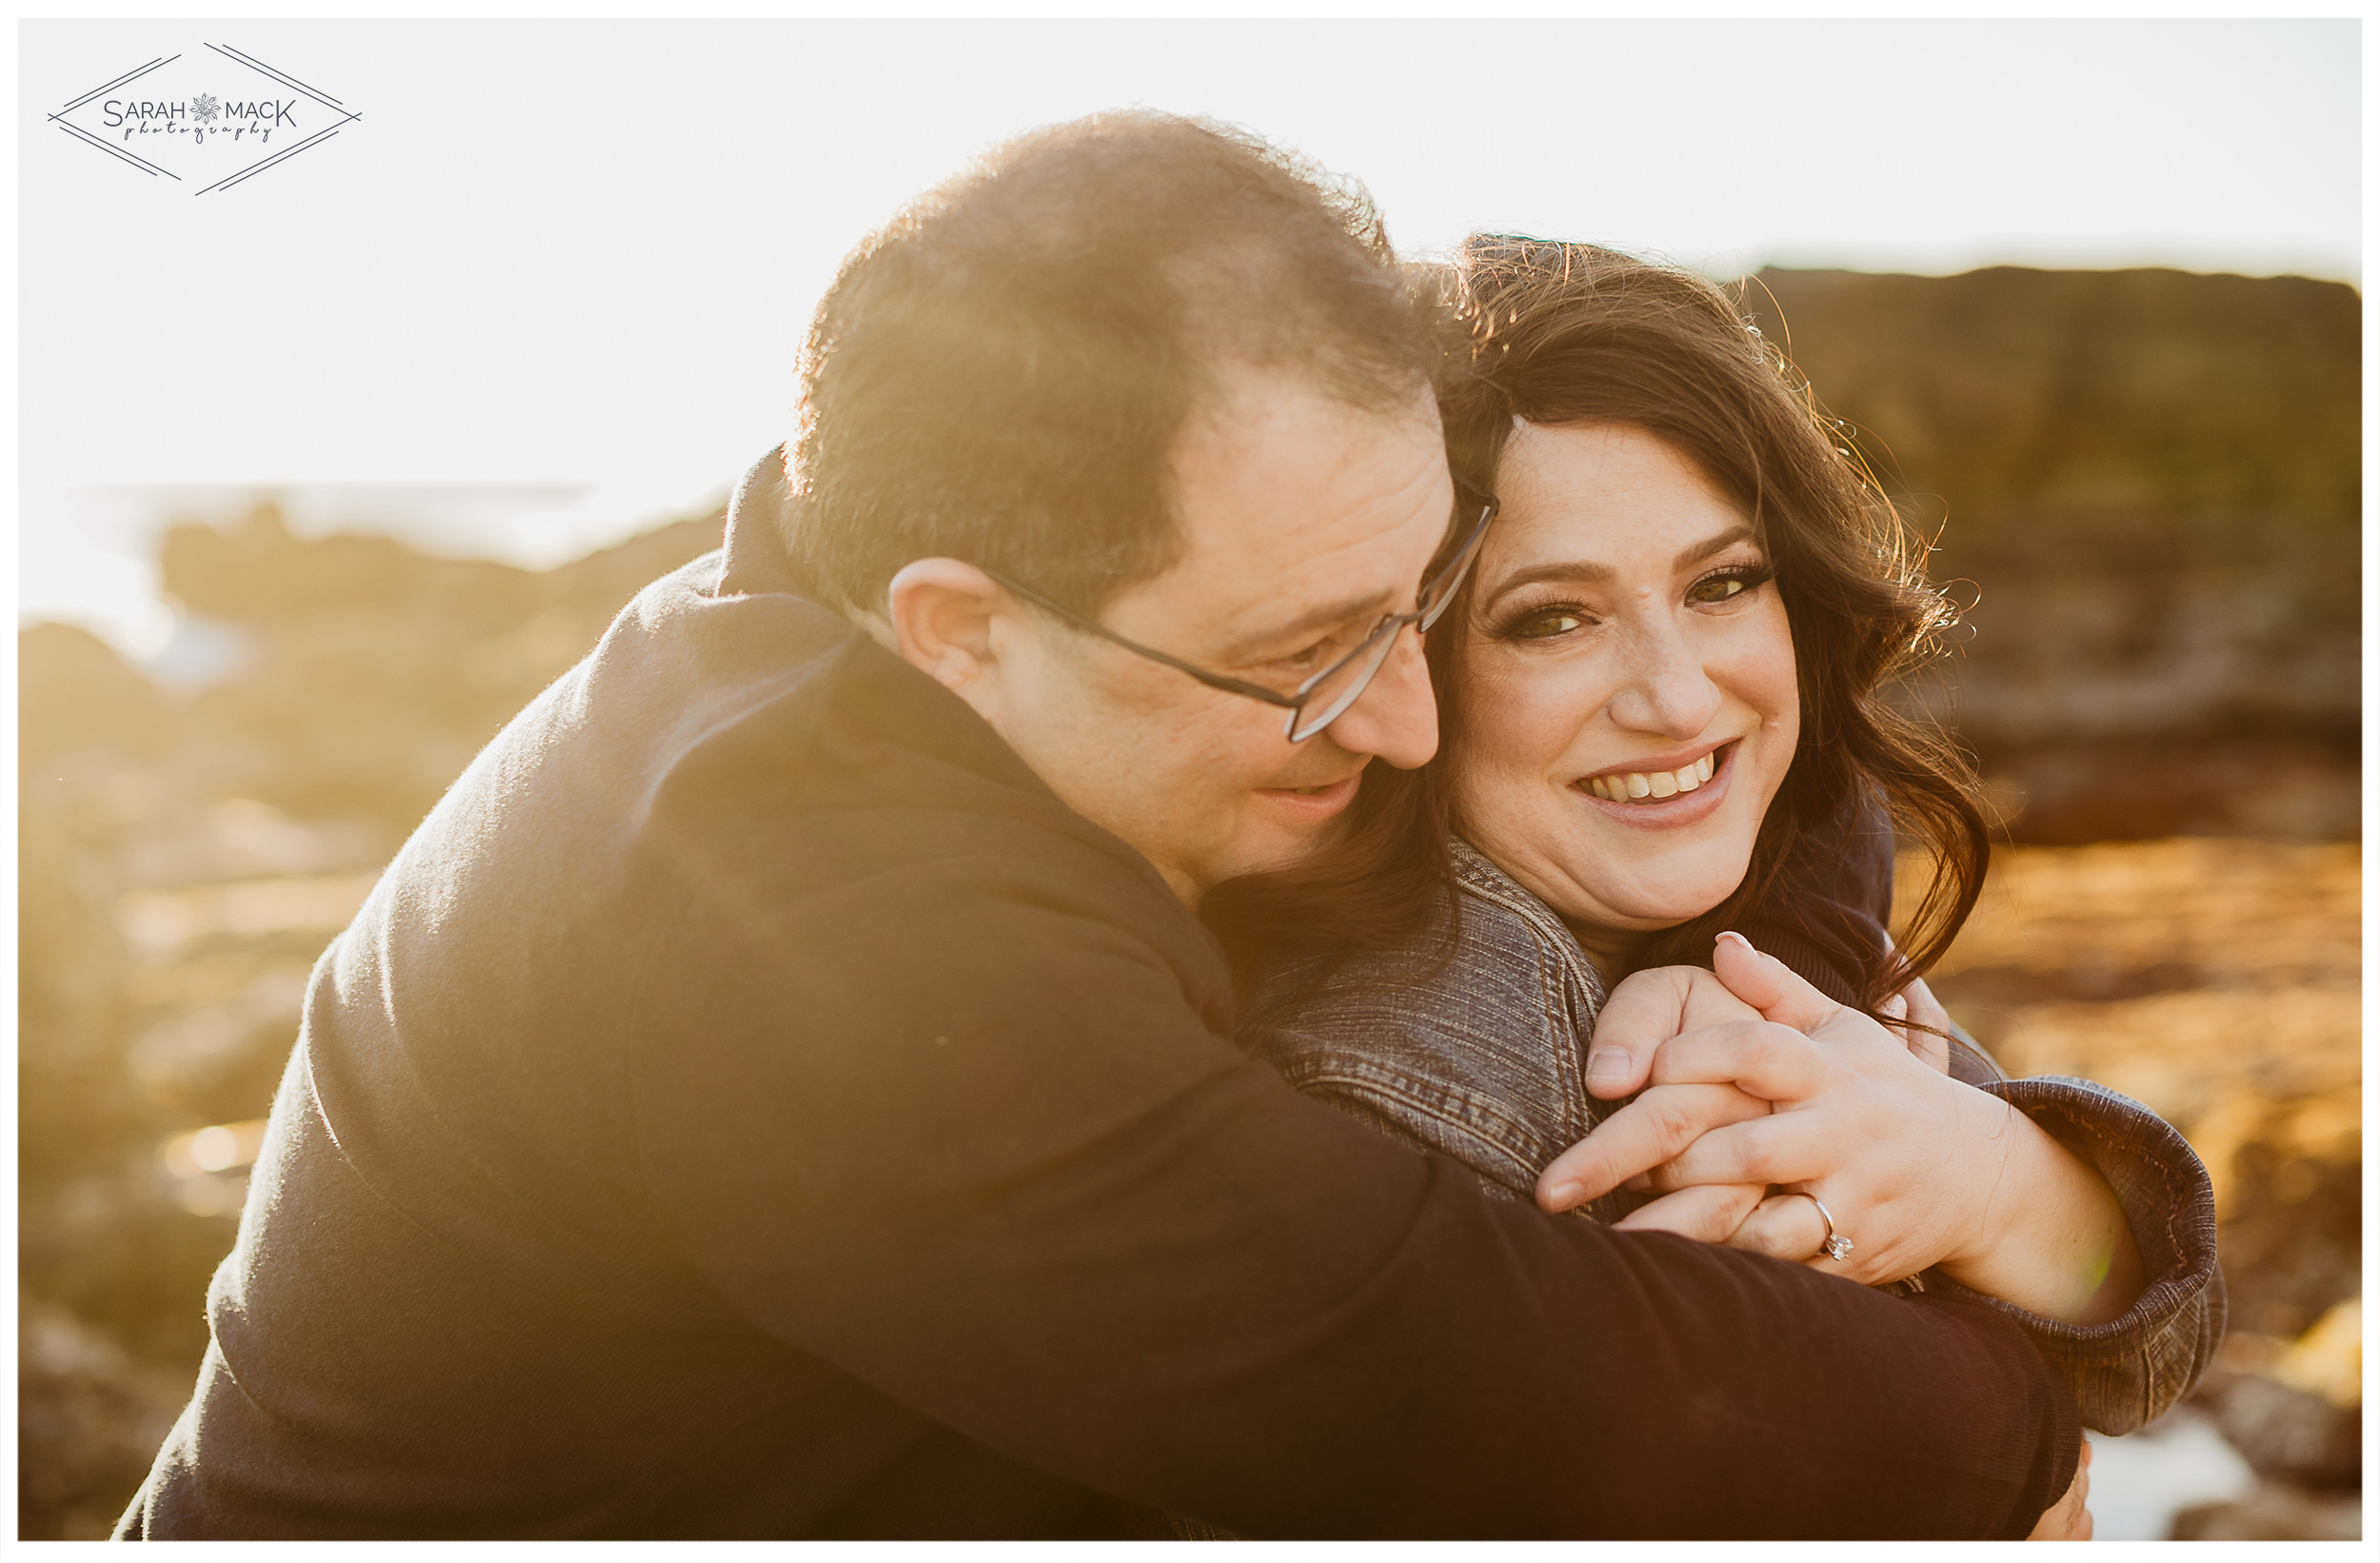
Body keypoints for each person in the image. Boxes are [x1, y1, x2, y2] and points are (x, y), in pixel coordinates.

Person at [118, 115, 2086, 1540]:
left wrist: (1769, 993)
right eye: (1321, 654)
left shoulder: (1008, 556)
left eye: (1431, 597)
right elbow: (1493, 1399)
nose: (1405, 716)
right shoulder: (813, 939)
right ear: (958, 632)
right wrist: (2031, 1382)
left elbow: (1719, 727)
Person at [1221, 237, 2221, 1437]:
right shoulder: (1390, 1096)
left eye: (1722, 583)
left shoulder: (1760, 930)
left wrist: (1984, 1174)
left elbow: (2159, 1344)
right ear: (1405, 658)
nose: (1681, 698)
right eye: (1551, 618)